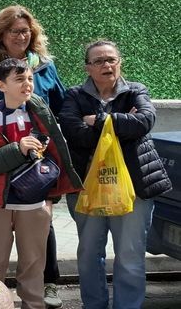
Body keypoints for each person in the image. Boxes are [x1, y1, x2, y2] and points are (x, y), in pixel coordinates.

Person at [0, 4, 66, 307]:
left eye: (25, 31)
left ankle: (47, 286)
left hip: (37, 172)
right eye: (14, 31)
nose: (21, 35)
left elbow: (60, 108)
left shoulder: (43, 65)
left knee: (40, 238)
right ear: (0, 35)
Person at [59, 40, 171, 309]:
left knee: (130, 256)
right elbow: (75, 132)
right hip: (87, 187)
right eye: (98, 61)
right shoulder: (74, 96)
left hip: (134, 188)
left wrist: (98, 120)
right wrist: (121, 122)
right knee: (88, 255)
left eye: (111, 59)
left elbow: (144, 122)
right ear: (87, 68)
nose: (107, 65)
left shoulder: (136, 91)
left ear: (120, 62)